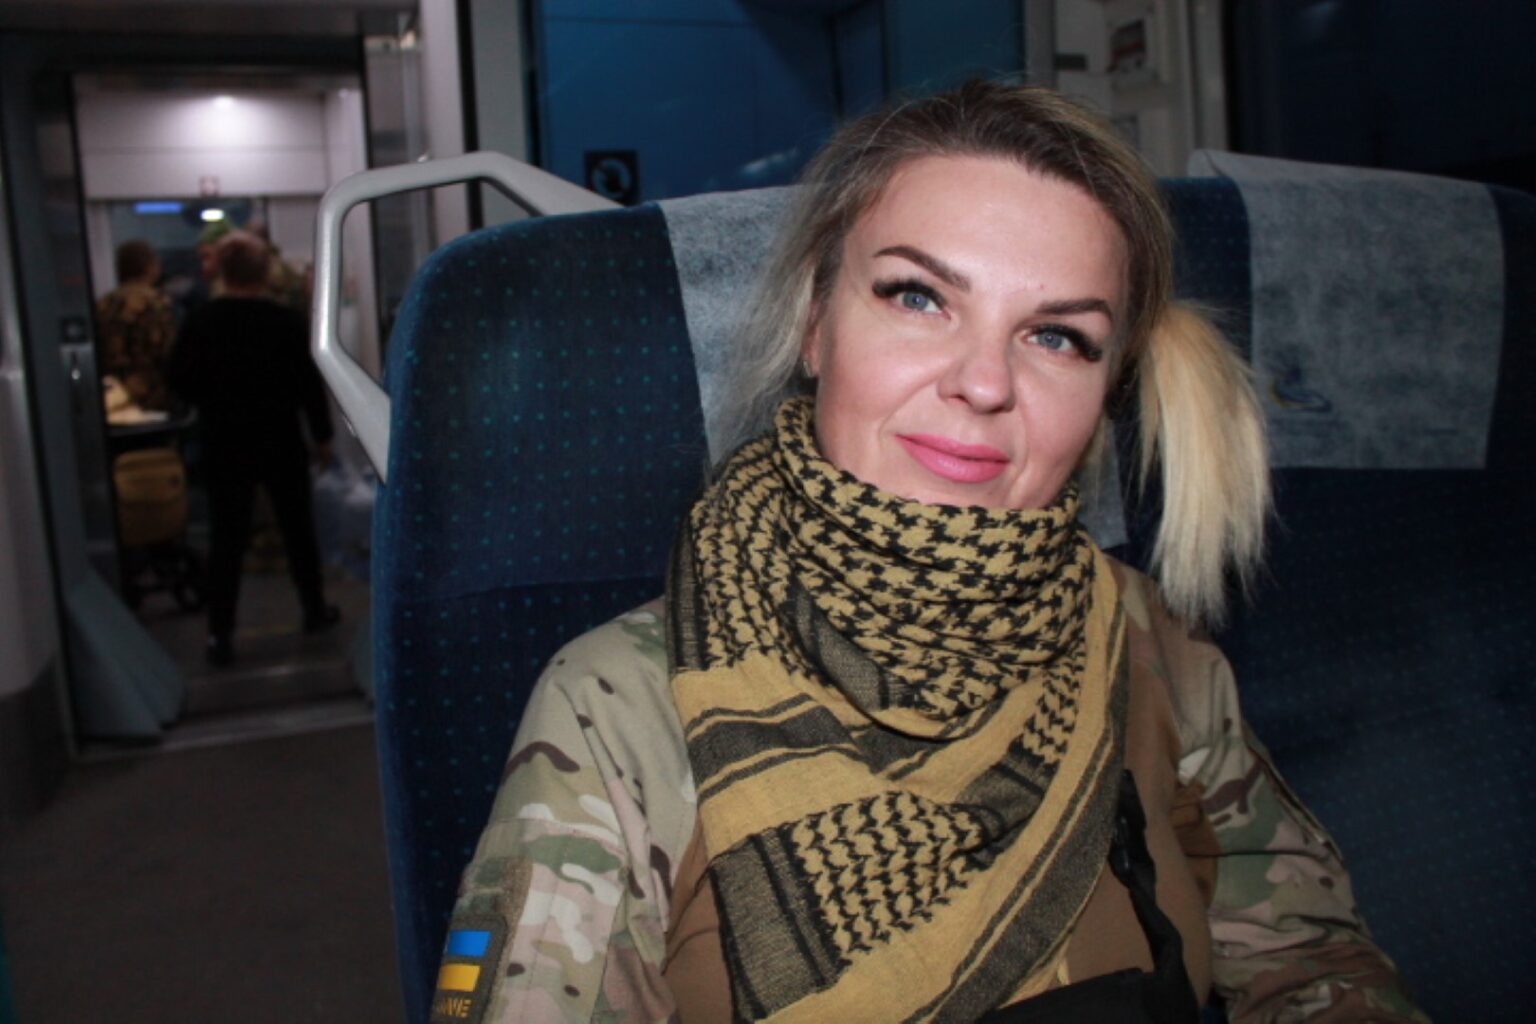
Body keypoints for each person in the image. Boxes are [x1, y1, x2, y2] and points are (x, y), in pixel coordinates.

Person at [433, 82, 1426, 1023]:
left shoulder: (1146, 641)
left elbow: (1312, 963)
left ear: (1105, 391)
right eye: (918, 297)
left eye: (1057, 336)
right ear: (816, 324)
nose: (984, 382)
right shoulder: (620, 707)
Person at [168, 230, 339, 666]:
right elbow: (309, 387)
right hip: (280, 438)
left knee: (227, 538)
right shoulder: (286, 322)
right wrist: (322, 437)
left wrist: (212, 400)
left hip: (225, 441)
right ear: (265, 272)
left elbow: (178, 379)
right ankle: (314, 608)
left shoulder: (203, 321)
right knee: (298, 529)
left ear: (222, 272)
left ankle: (220, 632)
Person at [95, 239, 178, 411]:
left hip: (112, 396)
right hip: (150, 397)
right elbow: (169, 352)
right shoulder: (155, 303)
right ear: (149, 267)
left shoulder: (103, 304)